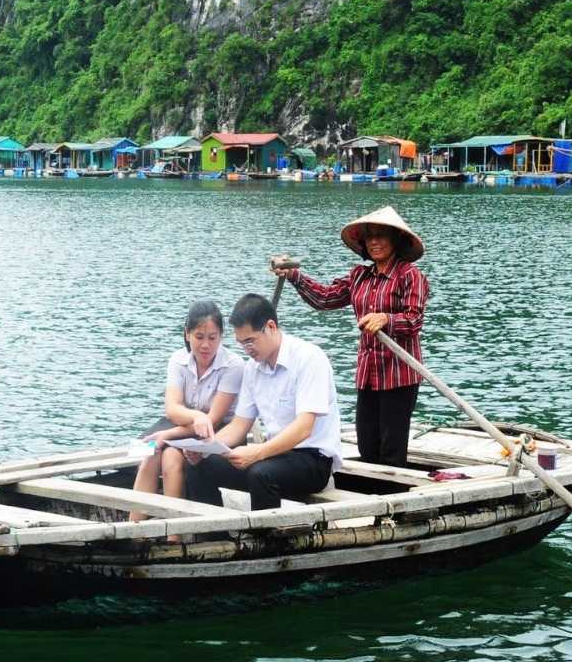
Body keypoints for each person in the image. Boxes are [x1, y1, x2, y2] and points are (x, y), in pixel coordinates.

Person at [274, 205, 429, 467]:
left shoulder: (409, 276)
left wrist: (386, 319)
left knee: (392, 449)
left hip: (398, 375)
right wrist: (293, 275)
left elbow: (414, 320)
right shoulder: (360, 276)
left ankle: (392, 500)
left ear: (395, 240)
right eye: (370, 237)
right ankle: (371, 498)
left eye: (381, 236)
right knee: (367, 443)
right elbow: (324, 298)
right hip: (368, 374)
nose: (375, 242)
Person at [184, 294, 343, 510]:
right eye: (241, 343)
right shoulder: (252, 368)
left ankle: (266, 539)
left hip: (312, 459)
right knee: (199, 467)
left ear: (271, 327)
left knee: (262, 474)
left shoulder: (309, 358)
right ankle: (213, 537)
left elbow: (304, 428)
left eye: (250, 341)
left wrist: (257, 453)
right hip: (274, 454)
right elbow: (240, 425)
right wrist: (205, 448)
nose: (247, 349)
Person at [130, 301, 244, 523]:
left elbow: (213, 419)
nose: (205, 345)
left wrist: (169, 435)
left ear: (221, 336)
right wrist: (195, 416)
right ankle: (133, 529)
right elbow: (172, 409)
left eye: (212, 337)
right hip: (183, 421)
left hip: (216, 429)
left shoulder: (234, 365)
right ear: (187, 334)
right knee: (148, 454)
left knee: (171, 457)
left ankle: (174, 535)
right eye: (199, 337)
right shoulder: (178, 360)